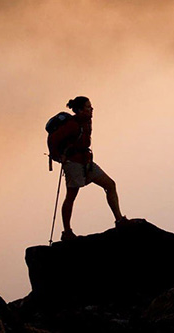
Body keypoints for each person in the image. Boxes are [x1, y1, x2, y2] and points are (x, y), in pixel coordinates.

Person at [49, 96, 127, 241]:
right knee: (71, 196)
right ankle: (67, 232)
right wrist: (59, 158)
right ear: (79, 110)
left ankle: (119, 220)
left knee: (110, 184)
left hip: (87, 162)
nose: (92, 110)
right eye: (88, 107)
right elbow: (53, 140)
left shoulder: (87, 122)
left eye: (91, 107)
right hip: (73, 163)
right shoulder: (71, 125)